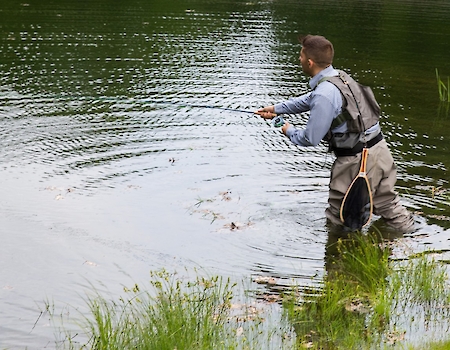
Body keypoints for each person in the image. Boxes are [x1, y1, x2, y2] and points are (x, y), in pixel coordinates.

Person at [255, 34, 414, 233]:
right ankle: (412, 239)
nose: (299, 59)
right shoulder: (340, 77)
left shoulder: (324, 93)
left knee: (339, 216)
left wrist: (287, 129)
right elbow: (310, 99)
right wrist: (277, 108)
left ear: (310, 62)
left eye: (301, 56)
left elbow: (310, 138)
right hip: (380, 150)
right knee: (387, 202)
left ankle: (338, 260)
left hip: (356, 161)